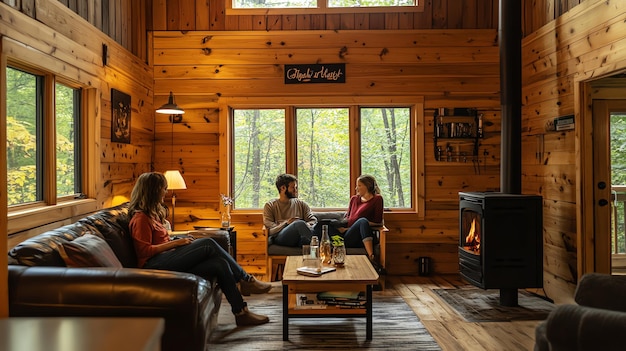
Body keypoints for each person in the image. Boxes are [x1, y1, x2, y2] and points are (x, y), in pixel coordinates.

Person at [128, 172, 271, 326]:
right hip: (154, 265)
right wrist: (175, 244)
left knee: (219, 264)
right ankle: (245, 279)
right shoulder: (140, 219)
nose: (166, 192)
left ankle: (241, 312)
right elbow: (144, 252)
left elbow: (161, 240)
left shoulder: (152, 215)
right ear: (153, 191)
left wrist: (177, 241)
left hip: (166, 258)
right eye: (163, 188)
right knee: (208, 243)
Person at [320, 174, 384, 262]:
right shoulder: (354, 199)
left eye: (359, 185)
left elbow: (379, 222)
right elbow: (348, 217)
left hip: (362, 236)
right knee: (324, 223)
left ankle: (371, 257)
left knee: (362, 221)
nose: (356, 188)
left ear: (367, 186)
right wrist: (340, 226)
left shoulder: (377, 199)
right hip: (349, 235)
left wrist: (361, 224)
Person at [263, 173, 317, 247]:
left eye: (296, 187)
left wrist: (306, 225)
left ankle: (315, 247)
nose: (296, 190)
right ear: (283, 188)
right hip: (281, 238)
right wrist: (287, 223)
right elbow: (270, 231)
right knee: (299, 223)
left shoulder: (301, 204)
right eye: (293, 188)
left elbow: (313, 220)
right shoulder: (270, 205)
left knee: (321, 226)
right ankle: (321, 248)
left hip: (300, 238)